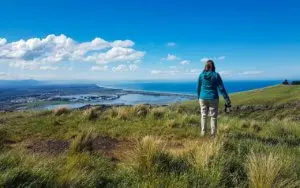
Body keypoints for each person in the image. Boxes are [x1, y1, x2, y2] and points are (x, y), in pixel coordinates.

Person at [197, 60, 231, 137]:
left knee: (203, 115)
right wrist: (227, 99)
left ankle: (203, 133)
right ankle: (213, 135)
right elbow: (221, 88)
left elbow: (198, 87)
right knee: (213, 117)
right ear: (213, 66)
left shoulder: (201, 75)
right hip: (213, 98)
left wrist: (199, 97)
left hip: (202, 98)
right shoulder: (216, 75)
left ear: (205, 66)